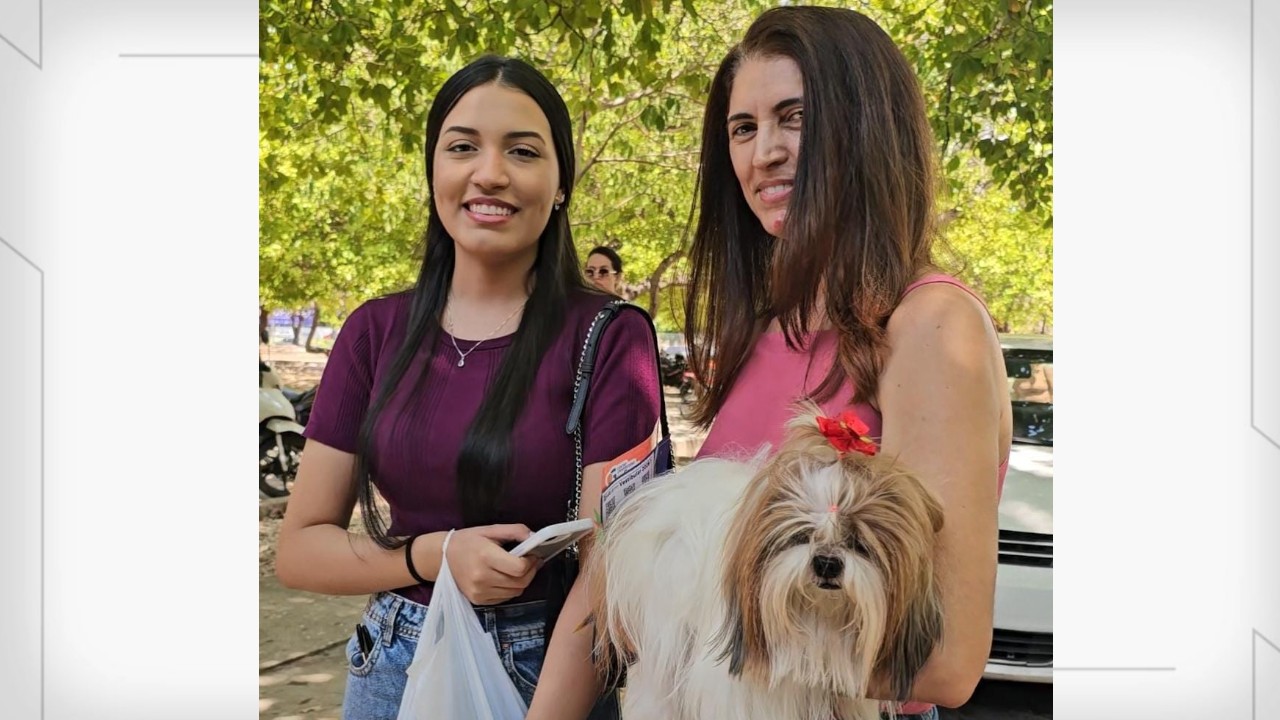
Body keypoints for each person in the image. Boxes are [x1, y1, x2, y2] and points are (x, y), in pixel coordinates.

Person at [274, 55, 660, 720]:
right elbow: (301, 549)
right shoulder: (373, 331)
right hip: (394, 663)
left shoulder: (611, 335)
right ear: (434, 173)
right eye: (462, 147)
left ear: (561, 181)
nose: (490, 173)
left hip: (552, 673)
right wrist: (433, 555)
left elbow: (613, 573)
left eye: (522, 150)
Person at [682, 7, 1012, 719]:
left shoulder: (931, 325)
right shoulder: (769, 328)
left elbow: (946, 662)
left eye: (793, 118)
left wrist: (695, 634)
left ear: (865, 128)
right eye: (743, 129)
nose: (762, 151)